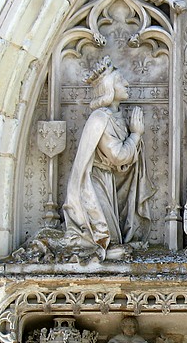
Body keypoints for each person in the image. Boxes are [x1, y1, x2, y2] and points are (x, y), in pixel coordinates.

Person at [63, 56, 154, 260]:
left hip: (107, 181)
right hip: (94, 183)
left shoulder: (114, 116)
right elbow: (118, 156)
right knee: (105, 235)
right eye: (121, 81)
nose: (127, 84)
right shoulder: (100, 118)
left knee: (113, 236)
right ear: (109, 87)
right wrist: (136, 134)